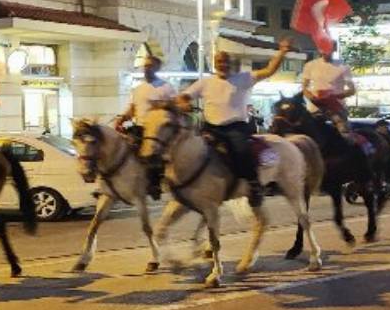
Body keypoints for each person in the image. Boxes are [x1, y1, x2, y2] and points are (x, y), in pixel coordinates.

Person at [178, 39, 292, 207]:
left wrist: (282, 52)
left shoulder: (243, 78)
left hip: (235, 128)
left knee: (242, 151)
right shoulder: (205, 82)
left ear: (230, 63)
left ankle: (254, 186)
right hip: (210, 128)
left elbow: (268, 71)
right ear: (215, 64)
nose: (222, 64)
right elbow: (183, 96)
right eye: (219, 62)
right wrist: (184, 103)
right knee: (191, 150)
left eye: (225, 61)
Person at [115, 51, 174, 198]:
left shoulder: (166, 87)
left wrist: (163, 104)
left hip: (157, 129)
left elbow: (175, 106)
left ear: (157, 68)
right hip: (139, 126)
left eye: (150, 66)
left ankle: (153, 185)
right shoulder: (138, 88)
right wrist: (122, 118)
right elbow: (133, 108)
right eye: (145, 66)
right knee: (120, 147)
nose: (146, 69)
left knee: (150, 153)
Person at [302, 48, 356, 126]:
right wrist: (312, 98)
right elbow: (304, 87)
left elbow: (352, 90)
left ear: (334, 49)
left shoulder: (343, 66)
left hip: (337, 109)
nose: (325, 51)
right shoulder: (310, 65)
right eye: (323, 47)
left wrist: (334, 97)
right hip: (315, 109)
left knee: (343, 134)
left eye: (328, 48)